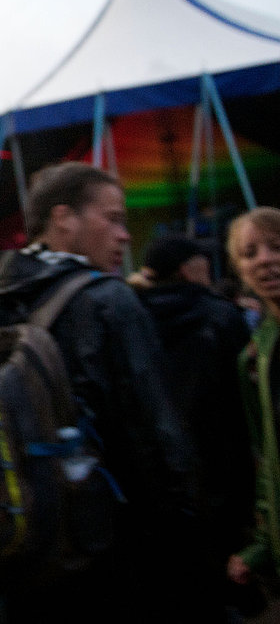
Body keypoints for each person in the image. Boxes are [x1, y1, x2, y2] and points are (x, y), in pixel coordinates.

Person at [0, 161, 197, 623]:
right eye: (112, 218)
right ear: (64, 218)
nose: (124, 236)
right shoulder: (108, 299)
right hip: (109, 558)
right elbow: (160, 444)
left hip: (11, 545)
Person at [137, 234, 255, 621]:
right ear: (189, 268)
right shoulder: (221, 315)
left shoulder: (133, 318)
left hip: (162, 475)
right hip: (224, 467)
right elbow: (244, 402)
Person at [226, 207, 280, 593]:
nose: (264, 259)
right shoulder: (254, 356)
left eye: (276, 246)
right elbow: (267, 458)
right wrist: (263, 546)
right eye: (250, 253)